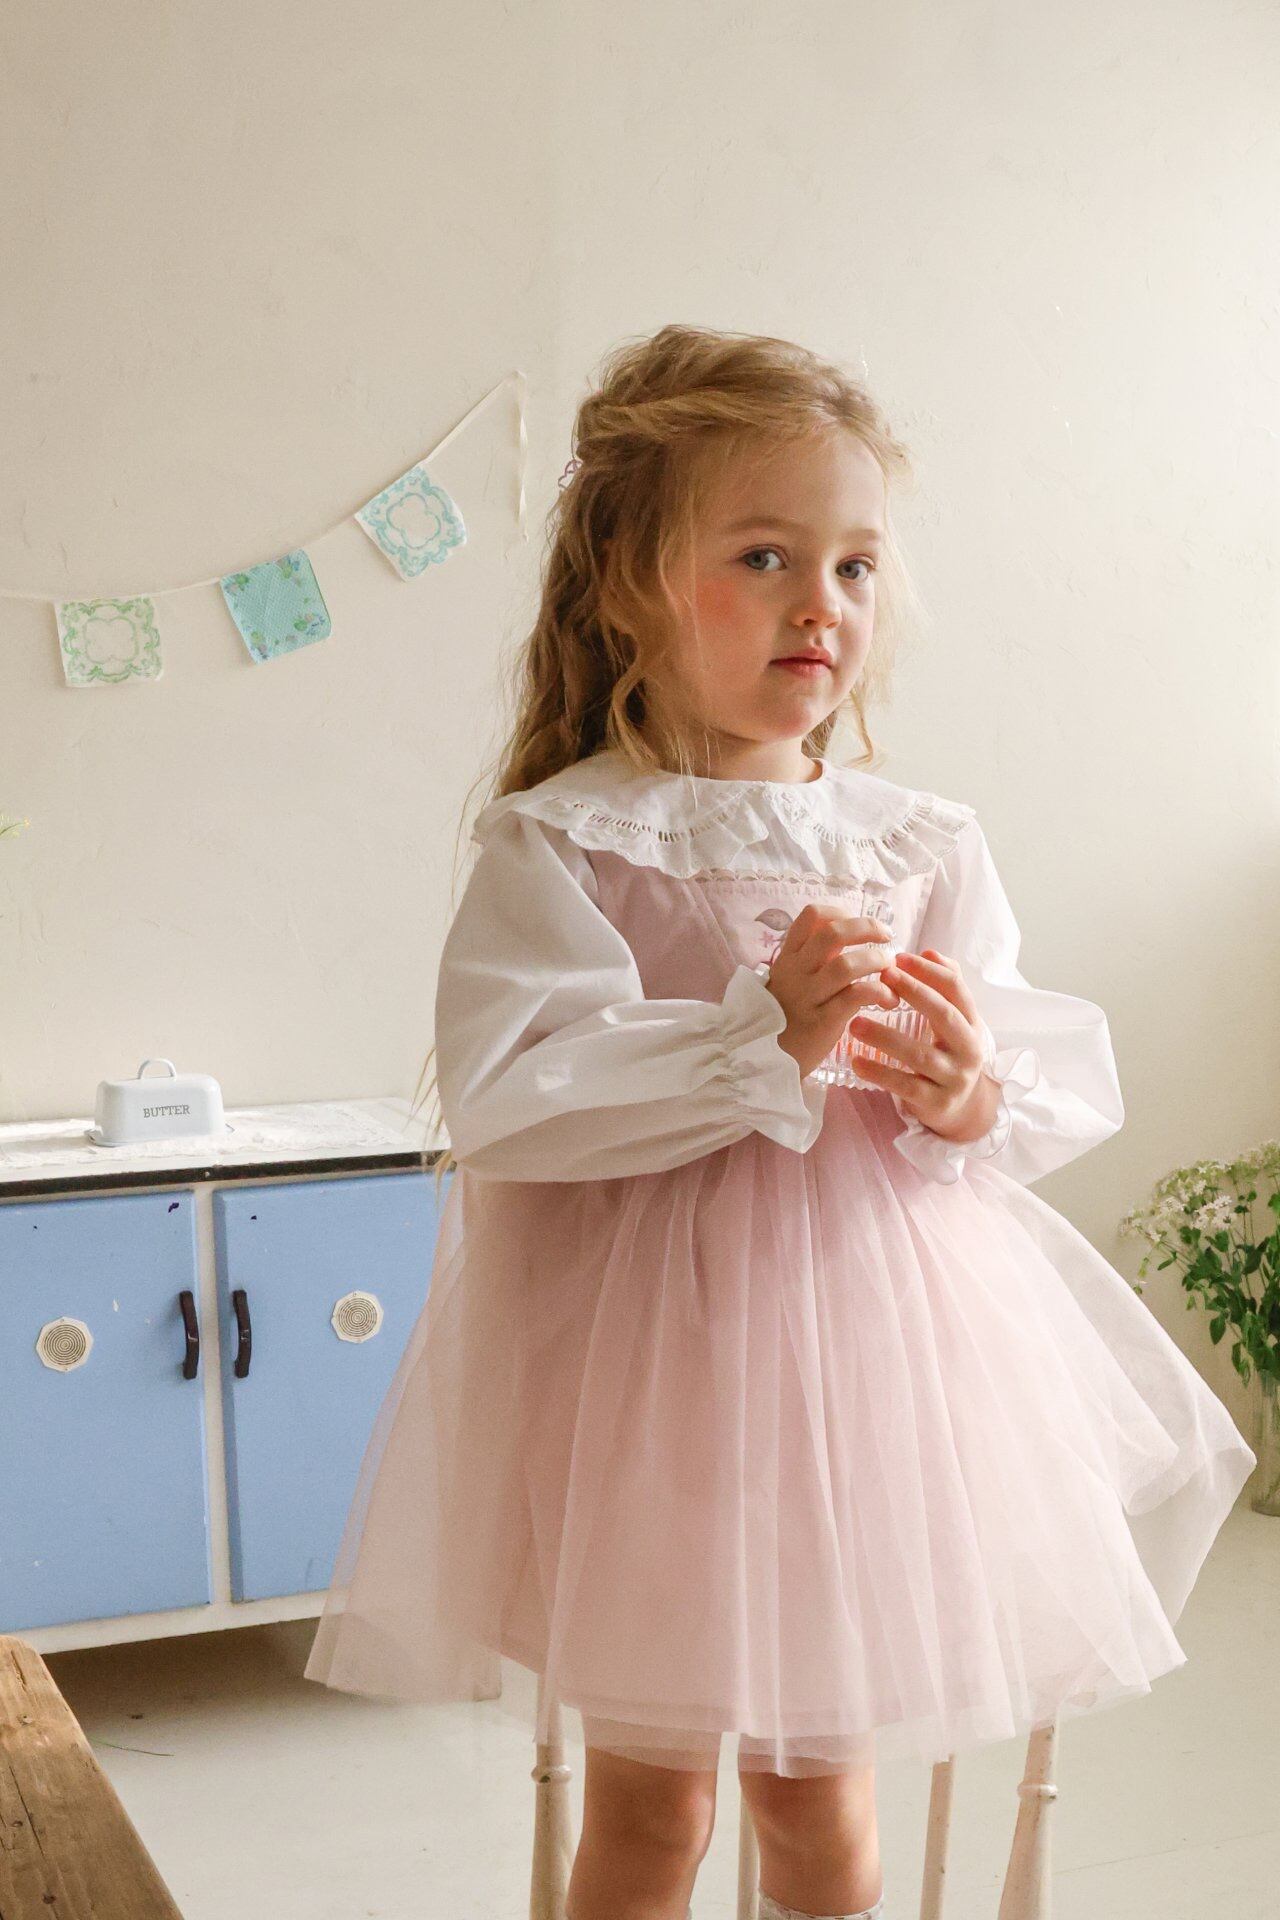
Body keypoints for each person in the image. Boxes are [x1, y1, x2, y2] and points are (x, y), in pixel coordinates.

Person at [304, 324, 1256, 1920]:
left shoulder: (915, 840)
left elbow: (1010, 1065)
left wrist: (963, 1092)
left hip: (868, 1380)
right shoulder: (572, 841)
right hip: (650, 1392)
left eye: (855, 565)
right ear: (629, 587)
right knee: (653, 1811)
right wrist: (759, 1037)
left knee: (823, 1810)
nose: (824, 605)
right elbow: (516, 1093)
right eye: (766, 557)